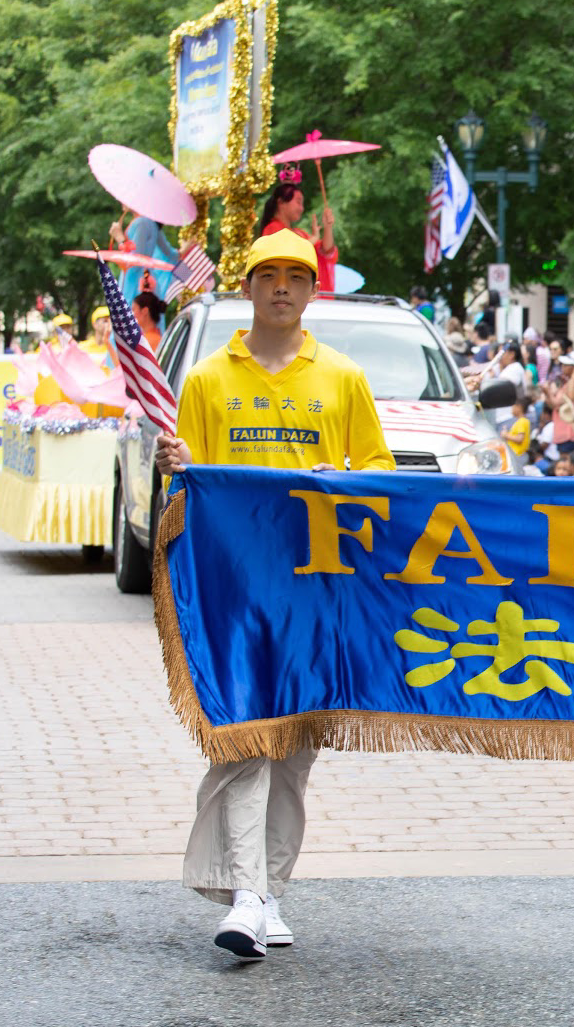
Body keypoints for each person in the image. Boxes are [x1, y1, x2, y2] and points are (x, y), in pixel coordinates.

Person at [153, 228, 394, 959]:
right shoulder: (207, 380)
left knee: (292, 749)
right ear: (247, 287)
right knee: (245, 733)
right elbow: (190, 487)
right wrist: (177, 465)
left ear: (313, 290)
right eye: (268, 275)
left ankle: (268, 890)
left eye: (295, 275)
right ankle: (248, 895)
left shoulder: (341, 377)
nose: (281, 287)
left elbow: (379, 474)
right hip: (232, 588)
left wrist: (343, 482)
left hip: (314, 592)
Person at [258, 171, 338, 293]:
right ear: (281, 202)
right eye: (298, 202)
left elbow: (326, 251)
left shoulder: (299, 233)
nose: (301, 208)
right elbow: (289, 254)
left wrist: (328, 227)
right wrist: (314, 238)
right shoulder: (272, 229)